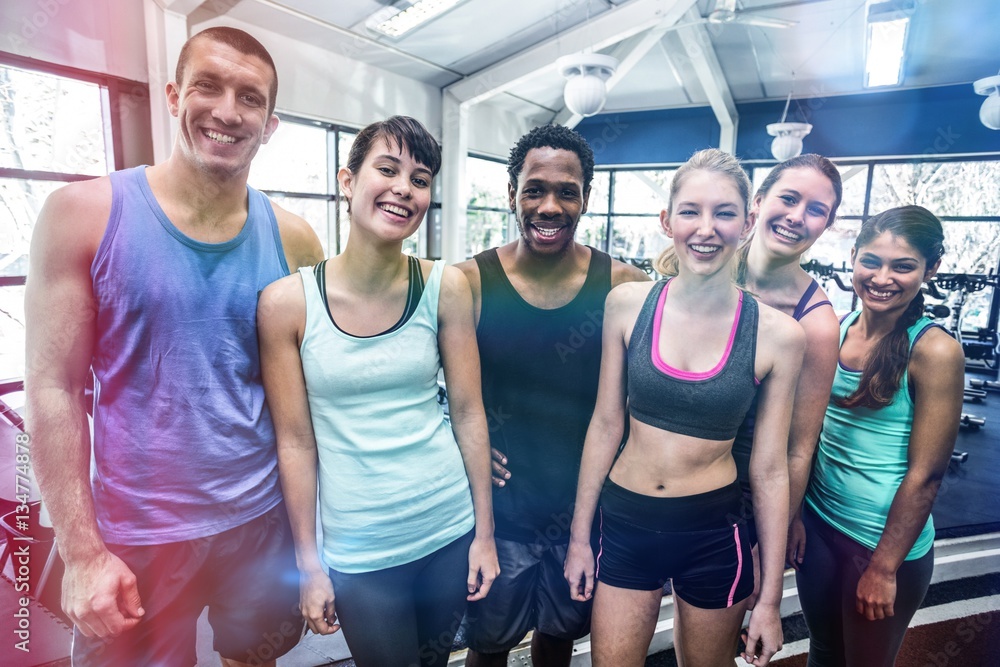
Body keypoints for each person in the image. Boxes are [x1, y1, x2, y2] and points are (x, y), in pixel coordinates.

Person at [24, 27, 324, 666]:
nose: (227, 111)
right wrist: (80, 553)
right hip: (137, 533)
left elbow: (313, 392)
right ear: (172, 94)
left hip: (259, 518)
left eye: (250, 98)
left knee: (255, 658)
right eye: (208, 87)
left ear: (269, 124)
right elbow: (51, 388)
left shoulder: (295, 240)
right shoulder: (83, 215)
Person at [258, 115, 499, 667]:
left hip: (448, 527)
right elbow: (295, 442)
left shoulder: (446, 286)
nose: (402, 189)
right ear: (348, 181)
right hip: (361, 550)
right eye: (386, 170)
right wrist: (309, 565)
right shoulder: (286, 305)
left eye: (419, 179)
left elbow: (468, 413)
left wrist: (484, 534)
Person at [564, 148, 805, 667]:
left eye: (724, 213)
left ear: (748, 222)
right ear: (666, 220)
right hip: (625, 523)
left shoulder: (780, 337)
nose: (706, 228)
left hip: (714, 532)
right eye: (691, 211)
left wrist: (768, 600)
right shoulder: (627, 305)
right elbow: (606, 423)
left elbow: (768, 469)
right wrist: (580, 538)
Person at [456, 124, 648, 667]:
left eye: (567, 191)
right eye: (534, 189)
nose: (550, 206)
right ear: (511, 195)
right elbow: (435, 388)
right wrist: (460, 441)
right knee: (488, 647)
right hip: (500, 510)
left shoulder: (624, 285)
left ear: (586, 197)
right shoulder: (470, 282)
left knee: (559, 639)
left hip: (584, 511)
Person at [795, 205, 963, 667]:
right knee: (824, 651)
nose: (882, 277)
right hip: (820, 525)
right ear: (852, 257)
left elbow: (926, 475)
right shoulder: (840, 326)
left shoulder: (934, 350)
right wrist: (795, 517)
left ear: (932, 268)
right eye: (871, 260)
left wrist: (884, 567)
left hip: (881, 546)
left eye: (903, 266)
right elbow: (812, 438)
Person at [730, 155, 843, 576]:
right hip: (664, 476)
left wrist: (769, 542)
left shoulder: (817, 324)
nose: (797, 217)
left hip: (739, 497)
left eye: (816, 210)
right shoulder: (704, 268)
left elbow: (798, 448)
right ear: (758, 201)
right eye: (789, 199)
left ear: (827, 225)